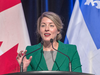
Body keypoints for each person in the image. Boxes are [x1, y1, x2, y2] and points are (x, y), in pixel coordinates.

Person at [16, 12, 82, 72]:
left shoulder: (71, 51)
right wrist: (24, 69)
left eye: (51, 25)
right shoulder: (31, 51)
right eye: (43, 25)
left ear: (58, 30)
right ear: (39, 30)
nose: (46, 29)